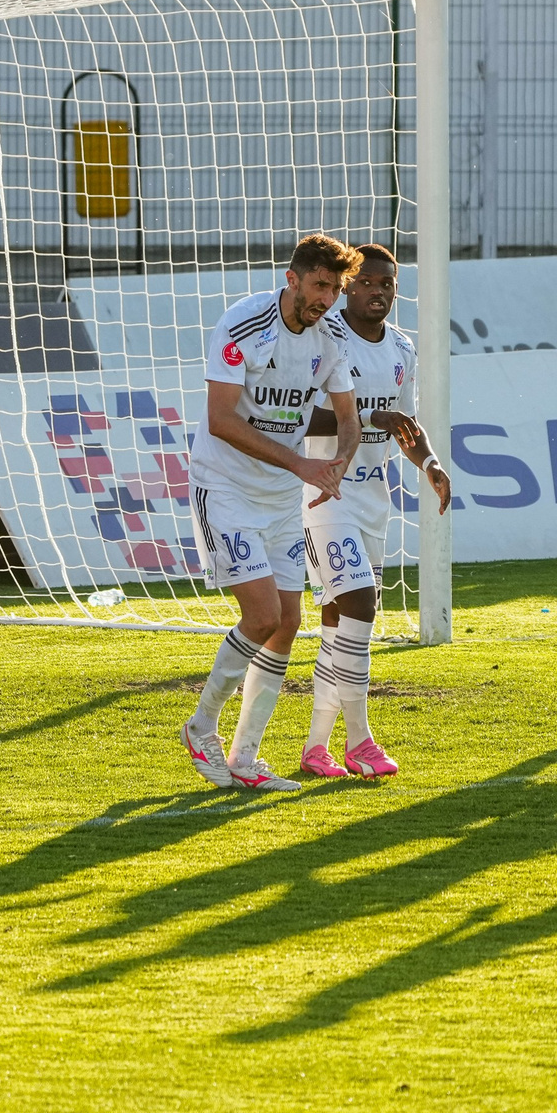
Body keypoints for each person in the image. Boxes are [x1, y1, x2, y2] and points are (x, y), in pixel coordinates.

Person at [182, 234, 362, 793]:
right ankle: (200, 726)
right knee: (260, 616)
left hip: (283, 495)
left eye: (335, 289)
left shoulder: (331, 338)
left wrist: (339, 462)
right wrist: (301, 465)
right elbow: (221, 420)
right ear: (293, 278)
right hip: (227, 487)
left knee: (288, 623)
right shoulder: (243, 325)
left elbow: (348, 417)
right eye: (319, 286)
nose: (327, 299)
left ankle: (245, 757)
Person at [299, 243, 452, 780]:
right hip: (323, 496)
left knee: (339, 624)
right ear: (347, 288)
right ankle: (360, 741)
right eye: (368, 283)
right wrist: (366, 422)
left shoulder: (402, 349)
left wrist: (428, 462)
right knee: (362, 603)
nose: (380, 292)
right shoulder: (324, 340)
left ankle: (316, 748)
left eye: (388, 284)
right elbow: (295, 417)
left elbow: (404, 425)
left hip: (372, 500)